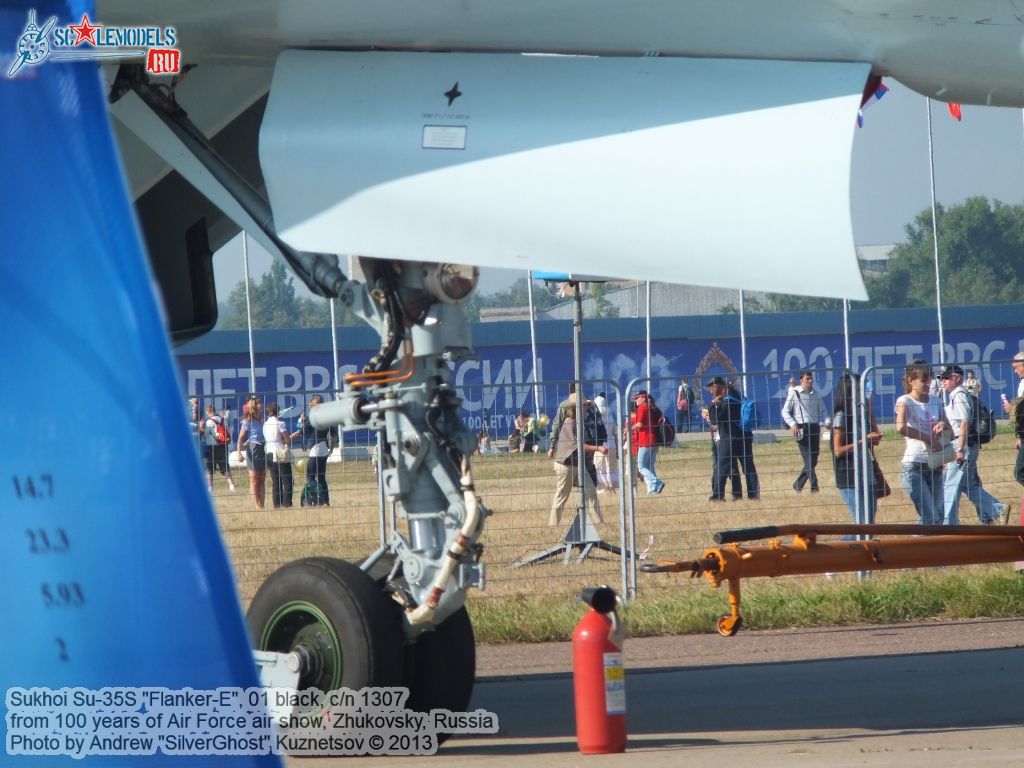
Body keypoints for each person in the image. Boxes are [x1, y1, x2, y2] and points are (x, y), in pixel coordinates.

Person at [939, 365, 1005, 525]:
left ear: (957, 378)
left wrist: (960, 449)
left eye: (946, 378)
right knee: (968, 486)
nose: (943, 381)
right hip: (963, 444)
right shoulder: (954, 396)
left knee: (951, 486)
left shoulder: (959, 396)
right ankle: (997, 509)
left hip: (962, 445)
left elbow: (964, 423)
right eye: (942, 378)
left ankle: (949, 525)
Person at [895, 361, 952, 525]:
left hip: (935, 464)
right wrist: (927, 438)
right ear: (911, 381)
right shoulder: (904, 401)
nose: (928, 384)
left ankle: (918, 548)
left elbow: (951, 431)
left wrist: (944, 425)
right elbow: (900, 427)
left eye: (930, 380)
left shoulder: (936, 401)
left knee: (935, 518)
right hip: (914, 466)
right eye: (924, 380)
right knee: (930, 517)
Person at [831, 372, 883, 528]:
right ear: (849, 392)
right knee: (861, 524)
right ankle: (842, 551)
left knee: (870, 524)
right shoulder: (841, 416)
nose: (863, 393)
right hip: (849, 476)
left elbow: (875, 440)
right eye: (859, 390)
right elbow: (838, 450)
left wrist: (870, 410)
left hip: (867, 474)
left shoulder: (862, 413)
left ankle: (861, 551)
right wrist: (864, 440)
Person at [551, 402, 608, 525]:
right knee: (562, 496)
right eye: (585, 406)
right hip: (566, 464)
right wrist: (597, 448)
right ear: (575, 409)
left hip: (578, 464)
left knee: (591, 491)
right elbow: (578, 446)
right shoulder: (570, 423)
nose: (587, 408)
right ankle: (553, 525)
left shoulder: (578, 422)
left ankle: (600, 522)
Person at [705, 377, 758, 501]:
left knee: (722, 467)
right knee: (748, 467)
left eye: (711, 388)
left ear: (717, 386)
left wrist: (713, 404)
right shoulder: (738, 396)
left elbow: (714, 419)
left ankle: (717, 496)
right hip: (745, 437)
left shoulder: (727, 401)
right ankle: (753, 495)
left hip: (729, 438)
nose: (710, 391)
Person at [782, 370, 829, 493]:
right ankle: (814, 487)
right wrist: (793, 424)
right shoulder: (795, 393)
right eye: (807, 379)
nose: (810, 381)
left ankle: (798, 484)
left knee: (814, 458)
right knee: (808, 457)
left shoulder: (816, 394)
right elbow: (785, 411)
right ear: (801, 380)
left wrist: (827, 421)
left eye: (811, 379)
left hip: (814, 427)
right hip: (801, 427)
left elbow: (823, 410)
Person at [299, 394, 333, 506]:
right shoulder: (327, 417)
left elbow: (303, 432)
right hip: (324, 449)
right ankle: (326, 502)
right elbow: (333, 435)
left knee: (310, 476)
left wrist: (303, 422)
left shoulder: (312, 419)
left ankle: (317, 499)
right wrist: (331, 448)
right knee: (322, 477)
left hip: (315, 449)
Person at [631, 390, 665, 495]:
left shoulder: (642, 408)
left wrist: (630, 428)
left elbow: (640, 424)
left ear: (642, 398)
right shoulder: (652, 407)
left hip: (645, 441)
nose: (635, 401)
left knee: (641, 467)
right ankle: (654, 490)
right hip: (655, 441)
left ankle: (656, 482)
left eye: (637, 398)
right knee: (650, 466)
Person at [236, 396, 266, 509]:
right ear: (255, 408)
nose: (262, 407)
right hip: (253, 449)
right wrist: (239, 453)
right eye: (259, 406)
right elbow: (240, 439)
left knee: (261, 479)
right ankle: (256, 505)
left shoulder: (262, 420)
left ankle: (262, 505)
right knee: (254, 479)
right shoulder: (247, 422)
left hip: (263, 448)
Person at [263, 402, 293, 508]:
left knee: (276, 481)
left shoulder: (265, 424)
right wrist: (289, 439)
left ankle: (277, 504)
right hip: (279, 452)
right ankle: (287, 503)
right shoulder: (280, 424)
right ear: (278, 411)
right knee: (288, 481)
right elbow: (287, 439)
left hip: (269, 452)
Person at [202, 403, 237, 494]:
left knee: (210, 468)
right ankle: (231, 485)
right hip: (223, 445)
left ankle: (210, 488)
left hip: (212, 446)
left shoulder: (209, 421)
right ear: (214, 410)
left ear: (207, 412)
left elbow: (206, 435)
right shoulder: (222, 419)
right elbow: (227, 431)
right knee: (225, 466)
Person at [592, 392, 619, 493]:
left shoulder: (595, 419)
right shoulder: (611, 418)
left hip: (599, 446)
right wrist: (617, 449)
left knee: (599, 467)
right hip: (611, 446)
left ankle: (603, 487)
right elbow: (615, 434)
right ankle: (612, 486)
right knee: (610, 468)